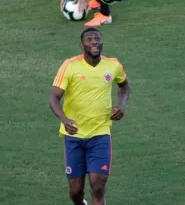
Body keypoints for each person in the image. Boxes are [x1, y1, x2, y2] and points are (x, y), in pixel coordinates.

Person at [49, 28, 131, 205]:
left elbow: (124, 85)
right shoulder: (70, 66)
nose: (94, 42)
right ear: (82, 45)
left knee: (98, 185)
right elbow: (53, 98)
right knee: (75, 191)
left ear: (102, 43)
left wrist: (122, 104)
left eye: (97, 39)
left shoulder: (113, 65)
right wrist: (64, 120)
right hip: (74, 135)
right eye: (89, 39)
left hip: (100, 133)